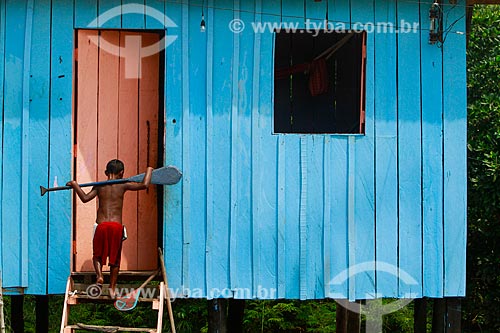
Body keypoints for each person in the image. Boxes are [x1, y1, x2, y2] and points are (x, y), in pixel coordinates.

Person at [67, 159, 153, 298]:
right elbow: (144, 184)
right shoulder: (123, 185)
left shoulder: (99, 186)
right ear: (121, 173)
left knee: (97, 256)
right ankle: (112, 288)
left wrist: (75, 184)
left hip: (101, 225)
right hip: (116, 227)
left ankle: (100, 276)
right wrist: (149, 170)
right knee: (115, 260)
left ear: (106, 172)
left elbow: (84, 198)